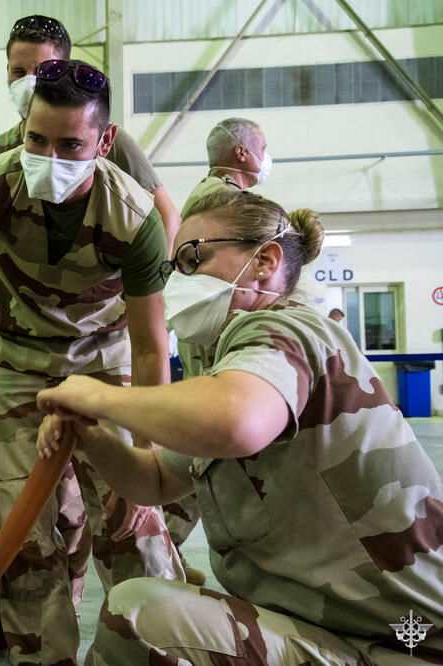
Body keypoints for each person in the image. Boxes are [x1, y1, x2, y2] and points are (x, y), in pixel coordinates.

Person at [36, 188, 443, 665]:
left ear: (265, 261)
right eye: (175, 267)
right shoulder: (234, 367)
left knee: (141, 612)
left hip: (405, 642)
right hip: (330, 629)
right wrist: (90, 433)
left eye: (193, 258)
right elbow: (155, 480)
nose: (179, 281)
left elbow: (236, 422)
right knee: (148, 604)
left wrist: (99, 395)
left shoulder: (286, 331)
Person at [0, 60, 182, 664]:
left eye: (70, 144)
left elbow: (150, 345)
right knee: (24, 534)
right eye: (36, 139)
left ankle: (159, 651)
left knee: (132, 528)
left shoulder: (135, 217)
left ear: (104, 140)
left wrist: (148, 449)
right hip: (18, 365)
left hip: (105, 366)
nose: (49, 155)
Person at [164, 116, 274, 555]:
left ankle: (160, 550)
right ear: (243, 153)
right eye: (263, 148)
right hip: (216, 342)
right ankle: (156, 548)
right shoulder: (223, 201)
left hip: (212, 338)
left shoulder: (214, 197)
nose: (267, 158)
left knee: (209, 452)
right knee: (209, 452)